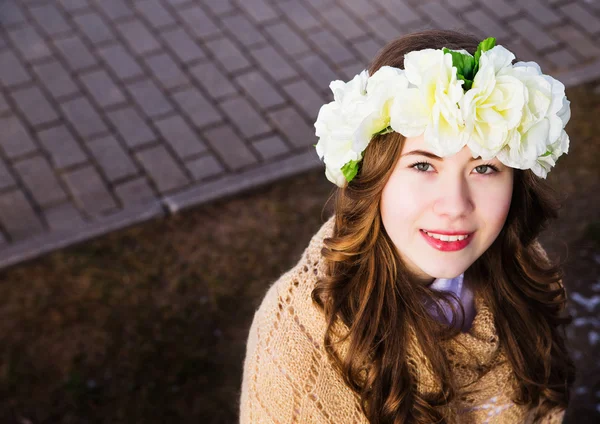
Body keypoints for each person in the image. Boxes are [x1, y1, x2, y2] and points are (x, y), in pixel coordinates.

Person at [239, 30, 575, 423]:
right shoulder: (296, 342)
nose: (454, 206)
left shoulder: (526, 270)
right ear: (374, 175)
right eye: (422, 165)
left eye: (484, 167)